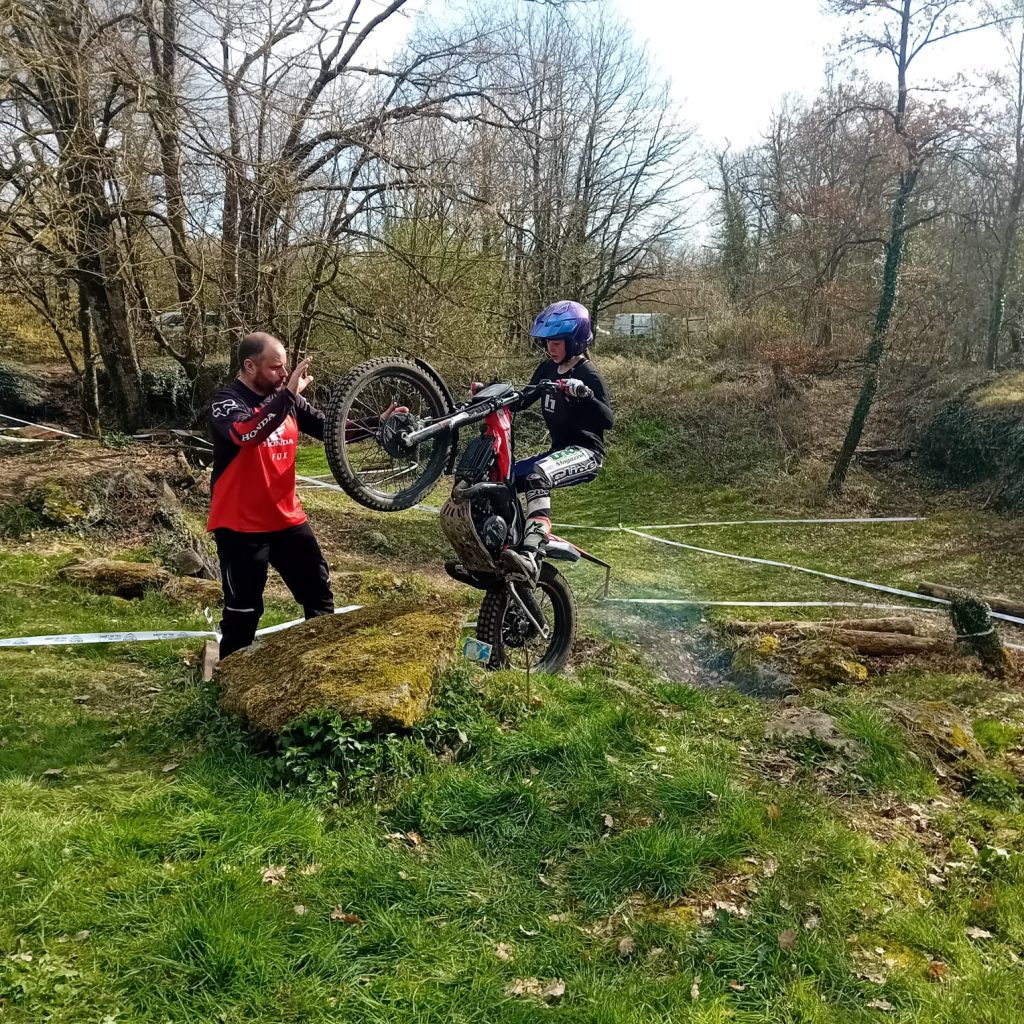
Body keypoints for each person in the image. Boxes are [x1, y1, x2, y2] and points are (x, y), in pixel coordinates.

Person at [207, 332, 334, 659]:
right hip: (240, 526)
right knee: (243, 612)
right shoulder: (226, 402)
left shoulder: (285, 398)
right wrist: (288, 394)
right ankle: (228, 680)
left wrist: (380, 425)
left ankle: (322, 668)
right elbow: (246, 433)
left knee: (319, 596)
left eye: (285, 367)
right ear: (250, 366)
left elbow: (330, 429)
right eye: (276, 367)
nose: (283, 374)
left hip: (287, 518)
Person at [500, 300, 614, 581]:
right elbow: (522, 401)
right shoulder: (547, 369)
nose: (550, 348)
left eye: (557, 343)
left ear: (574, 342)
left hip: (586, 453)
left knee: (538, 476)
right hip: (557, 452)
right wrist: (492, 394)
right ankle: (509, 544)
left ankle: (531, 551)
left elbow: (608, 420)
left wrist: (585, 395)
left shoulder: (588, 373)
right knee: (504, 480)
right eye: (548, 342)